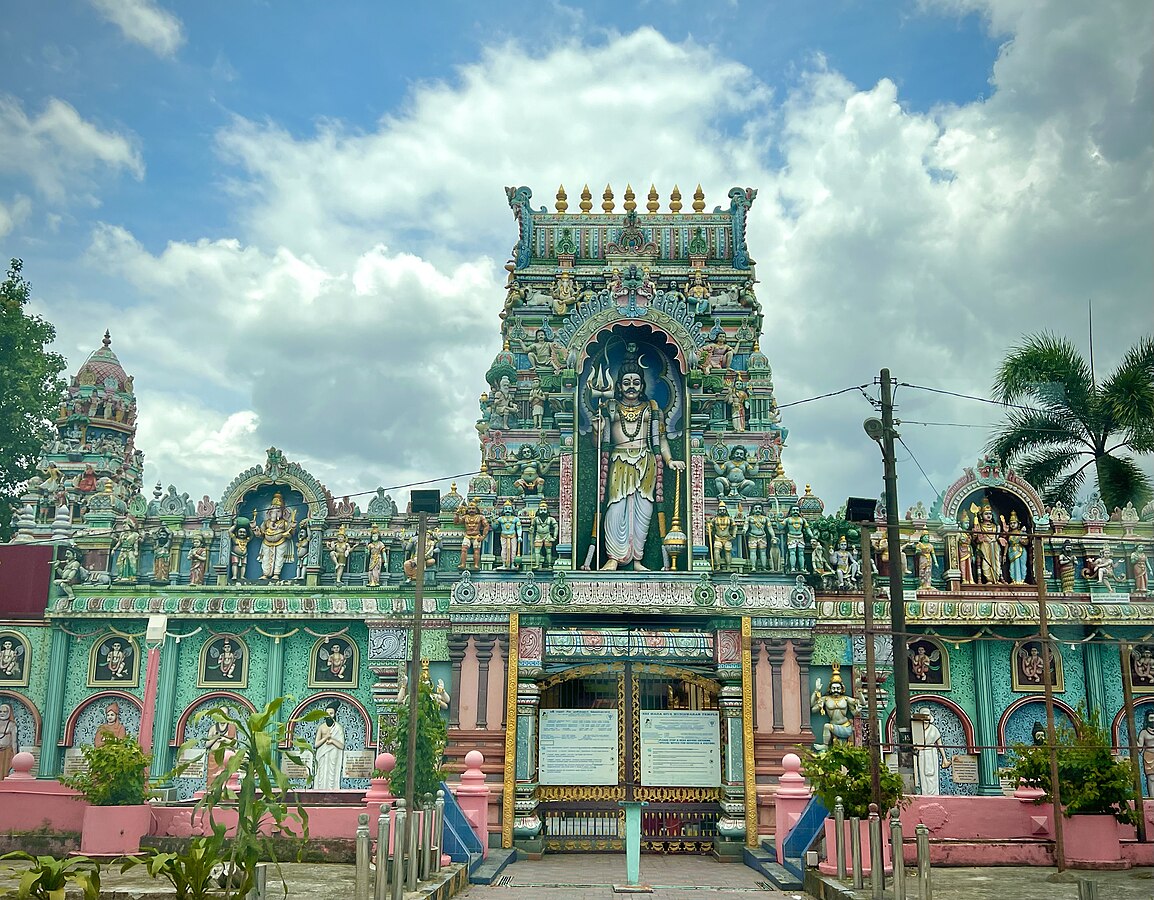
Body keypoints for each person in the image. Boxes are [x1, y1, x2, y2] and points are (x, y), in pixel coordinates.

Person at [588, 353, 684, 570]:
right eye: (626, 382)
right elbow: (597, 445)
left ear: (642, 386)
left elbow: (661, 439)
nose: (631, 386)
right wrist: (596, 431)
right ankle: (613, 557)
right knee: (615, 509)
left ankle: (637, 559)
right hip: (619, 462)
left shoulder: (651, 409)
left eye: (636, 382)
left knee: (643, 512)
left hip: (646, 462)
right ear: (619, 386)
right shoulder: (610, 407)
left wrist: (669, 461)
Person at [810, 668, 861, 751]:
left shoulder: (846, 699)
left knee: (827, 726)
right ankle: (825, 745)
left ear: (842, 689)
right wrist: (816, 690)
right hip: (833, 727)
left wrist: (859, 690)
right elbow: (812, 707)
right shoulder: (825, 699)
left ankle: (825, 745)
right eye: (833, 688)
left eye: (838, 688)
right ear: (830, 689)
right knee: (827, 726)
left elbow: (861, 703)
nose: (836, 690)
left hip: (846, 726)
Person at [253, 494, 297, 582]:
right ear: (269, 513)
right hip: (266, 542)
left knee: (279, 558)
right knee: (266, 558)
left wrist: (291, 530)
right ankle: (265, 574)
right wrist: (258, 533)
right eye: (273, 511)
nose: (275, 513)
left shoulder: (284, 523)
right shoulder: (266, 522)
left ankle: (276, 574)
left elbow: (291, 533)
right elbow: (262, 533)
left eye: (278, 511)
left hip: (281, 542)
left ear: (283, 513)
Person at [915, 708, 951, 796]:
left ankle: (935, 794)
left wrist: (944, 758)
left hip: (932, 753)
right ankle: (924, 794)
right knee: (923, 776)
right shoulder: (917, 729)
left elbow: (940, 744)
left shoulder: (934, 729)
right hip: (922, 754)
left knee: (932, 775)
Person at [313, 701, 345, 791]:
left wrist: (332, 741)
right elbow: (316, 744)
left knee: (332, 774)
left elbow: (341, 746)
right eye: (327, 713)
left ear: (335, 714)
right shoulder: (321, 727)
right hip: (322, 754)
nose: (328, 715)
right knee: (321, 774)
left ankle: (332, 792)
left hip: (333, 754)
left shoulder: (338, 728)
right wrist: (325, 738)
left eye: (331, 713)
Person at [971, 503, 1004, 584]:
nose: (988, 515)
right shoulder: (980, 526)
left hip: (994, 545)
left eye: (990, 514)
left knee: (997, 562)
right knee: (985, 563)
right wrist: (977, 536)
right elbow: (975, 539)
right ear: (981, 516)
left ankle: (997, 578)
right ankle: (988, 579)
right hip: (984, 546)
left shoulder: (995, 526)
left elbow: (997, 536)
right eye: (986, 514)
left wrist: (999, 539)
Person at [454, 500, 490, 570]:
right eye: (470, 508)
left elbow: (486, 526)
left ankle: (476, 565)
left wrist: (483, 536)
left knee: (476, 550)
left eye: (473, 508)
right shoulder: (465, 517)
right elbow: (456, 522)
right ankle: (463, 564)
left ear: (476, 510)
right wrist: (457, 514)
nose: (471, 510)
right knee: (464, 549)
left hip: (476, 535)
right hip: (467, 535)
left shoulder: (480, 517)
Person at [708, 502, 738, 571]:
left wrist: (733, 535)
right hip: (718, 538)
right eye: (720, 510)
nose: (722, 511)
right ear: (718, 511)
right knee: (716, 551)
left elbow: (735, 527)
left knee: (728, 552)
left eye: (723, 510)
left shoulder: (730, 519)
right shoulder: (715, 519)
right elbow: (710, 527)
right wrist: (708, 528)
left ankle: (728, 567)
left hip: (727, 538)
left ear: (726, 510)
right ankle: (718, 566)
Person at [745, 505, 775, 572]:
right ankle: (753, 567)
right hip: (752, 536)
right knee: (752, 552)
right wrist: (744, 530)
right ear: (753, 510)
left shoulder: (766, 518)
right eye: (756, 508)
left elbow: (770, 528)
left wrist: (773, 536)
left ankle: (764, 567)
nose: (758, 510)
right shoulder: (749, 518)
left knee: (763, 552)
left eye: (759, 508)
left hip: (762, 536)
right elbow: (746, 526)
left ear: (762, 510)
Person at [530, 501, 558, 570]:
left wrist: (554, 537)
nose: (543, 511)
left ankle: (549, 565)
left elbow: (556, 527)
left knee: (549, 551)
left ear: (547, 510)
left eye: (544, 510)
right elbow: (532, 527)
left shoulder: (551, 519)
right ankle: (537, 564)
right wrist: (531, 529)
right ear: (539, 511)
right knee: (537, 551)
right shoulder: (535, 519)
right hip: (538, 536)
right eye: (541, 510)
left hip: (547, 535)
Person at [493, 502, 521, 570]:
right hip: (503, 535)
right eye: (506, 509)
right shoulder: (500, 519)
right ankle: (504, 564)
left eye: (509, 509)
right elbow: (494, 527)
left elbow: (519, 528)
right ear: (503, 510)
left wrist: (519, 536)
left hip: (513, 535)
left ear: (512, 510)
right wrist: (493, 520)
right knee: (504, 550)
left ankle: (512, 564)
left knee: (513, 550)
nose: (507, 510)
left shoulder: (515, 519)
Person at [783, 506, 811, 574]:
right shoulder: (788, 519)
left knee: (801, 553)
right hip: (791, 536)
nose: (795, 511)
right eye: (794, 510)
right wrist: (778, 520)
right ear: (790, 511)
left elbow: (808, 529)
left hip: (800, 537)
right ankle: (792, 568)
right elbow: (780, 527)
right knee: (792, 553)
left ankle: (802, 568)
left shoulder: (803, 520)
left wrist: (812, 536)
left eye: (797, 510)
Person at [1004, 511, 1028, 584]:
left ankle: (1022, 580)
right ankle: (1014, 580)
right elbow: (1007, 544)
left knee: (1022, 565)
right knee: (1013, 566)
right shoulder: (1009, 534)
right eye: (1011, 523)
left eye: (1014, 523)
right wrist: (1004, 554)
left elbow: (1026, 542)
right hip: (1012, 551)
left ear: (1018, 524)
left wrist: (1022, 540)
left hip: (1021, 550)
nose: (1012, 525)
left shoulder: (1021, 532)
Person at [1136, 710, 1154, 798]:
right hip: (1149, 756)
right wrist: (1133, 739)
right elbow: (1139, 748)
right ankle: (1152, 797)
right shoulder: (1143, 732)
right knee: (1151, 778)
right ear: (1147, 719)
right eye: (1151, 718)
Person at [0, 703, 17, 780]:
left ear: (9, 713)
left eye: (5, 711)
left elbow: (14, 741)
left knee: (4, 771)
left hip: (6, 752)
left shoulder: (11, 725)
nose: (2, 713)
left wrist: (15, 756)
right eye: (0, 711)